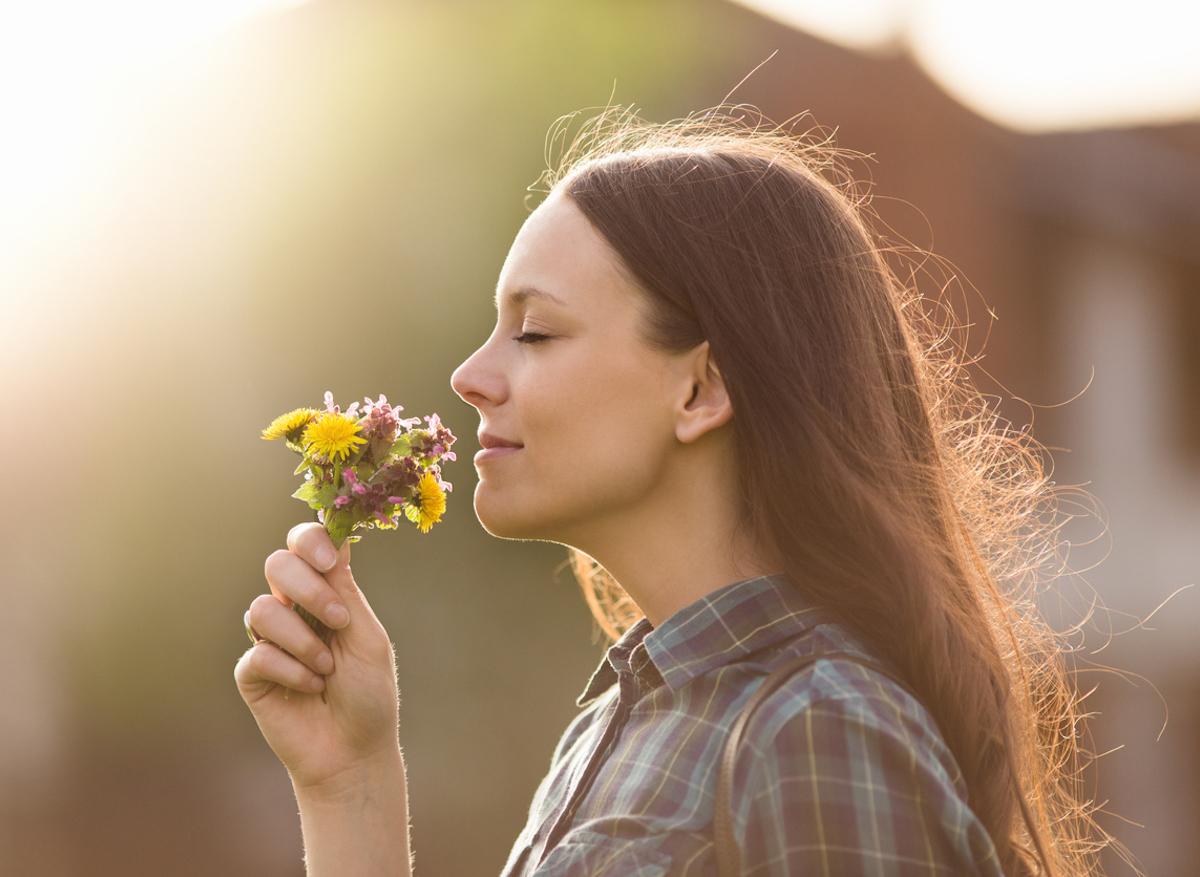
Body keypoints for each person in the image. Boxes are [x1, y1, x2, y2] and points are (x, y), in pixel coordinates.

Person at [235, 105, 1120, 876]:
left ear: (701, 390)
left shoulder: (815, 729)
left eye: (535, 332)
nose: (469, 375)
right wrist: (348, 779)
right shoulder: (621, 723)